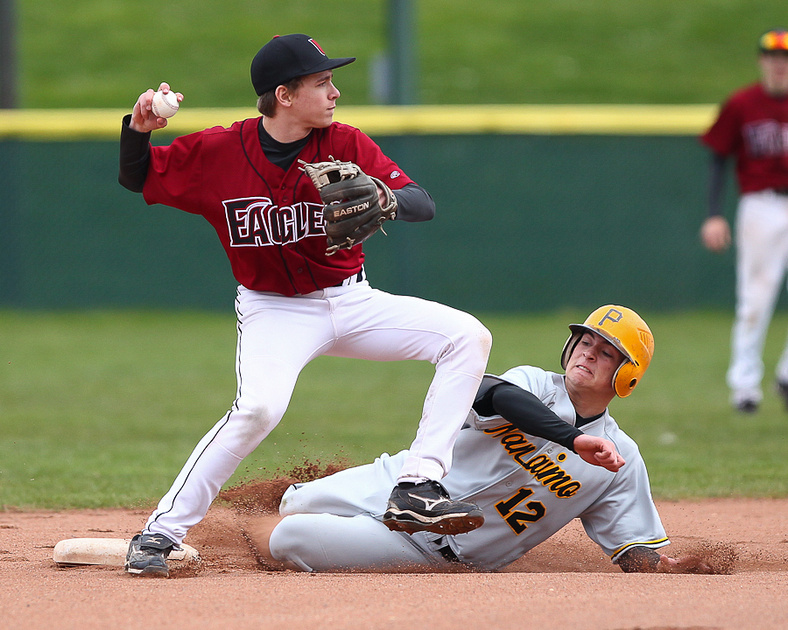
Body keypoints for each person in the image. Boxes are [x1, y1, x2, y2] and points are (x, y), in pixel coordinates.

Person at [117, 33, 492, 577]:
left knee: (467, 336)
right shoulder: (219, 152)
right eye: (322, 82)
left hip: (353, 300)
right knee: (258, 410)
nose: (335, 91)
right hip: (275, 311)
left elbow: (421, 204)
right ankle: (160, 533)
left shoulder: (345, 142)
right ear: (284, 95)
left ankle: (417, 485)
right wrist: (138, 131)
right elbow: (138, 177)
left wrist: (384, 197)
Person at [240, 305, 712, 574]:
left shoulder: (619, 459)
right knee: (292, 503)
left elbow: (630, 543)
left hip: (433, 550)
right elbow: (491, 393)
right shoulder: (530, 383)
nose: (589, 353)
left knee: (288, 536)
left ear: (626, 376)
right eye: (586, 342)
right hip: (395, 481)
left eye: (606, 352)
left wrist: (661, 567)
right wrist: (570, 438)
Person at [699, 28, 788, 414]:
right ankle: (745, 386)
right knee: (755, 297)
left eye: (785, 58)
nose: (779, 64)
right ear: (762, 60)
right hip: (761, 204)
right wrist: (713, 213)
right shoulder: (742, 103)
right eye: (773, 56)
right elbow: (718, 157)